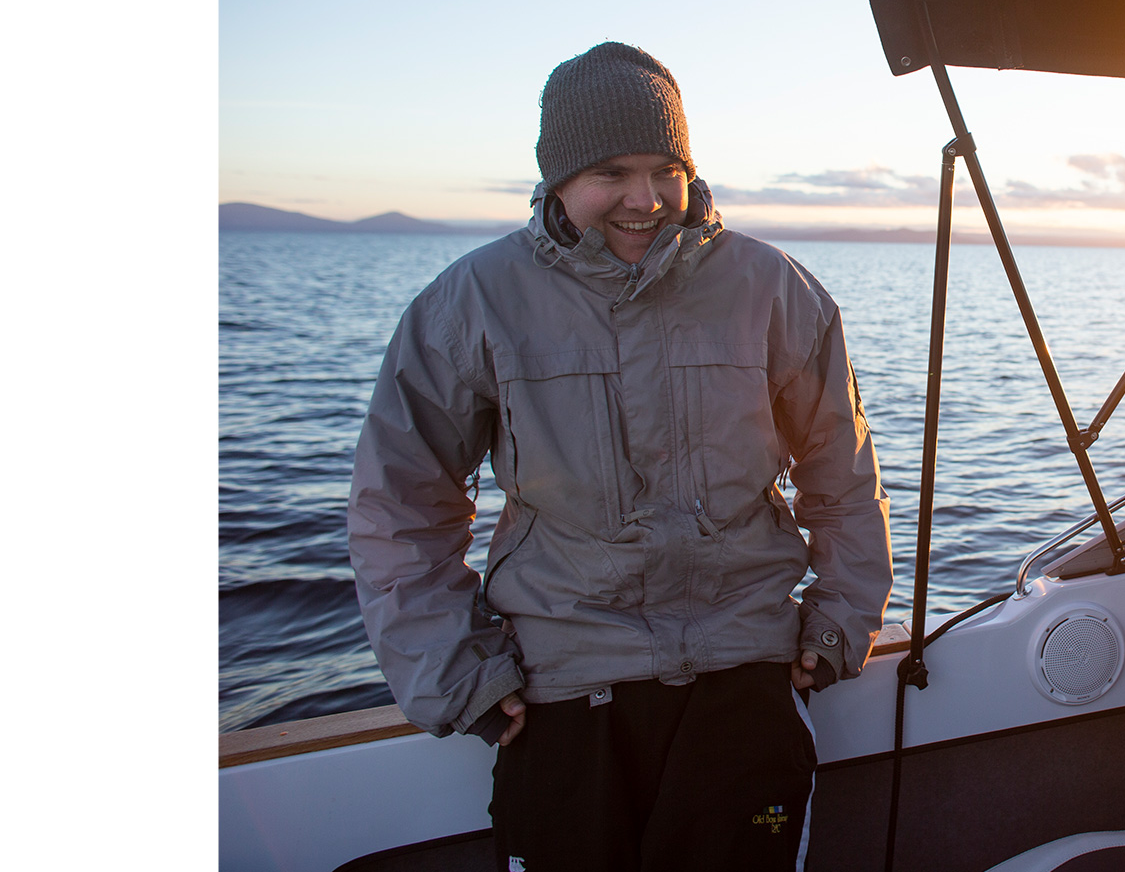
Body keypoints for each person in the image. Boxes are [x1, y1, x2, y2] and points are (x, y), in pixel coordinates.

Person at [347, 42, 893, 871]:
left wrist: (838, 622)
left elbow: (842, 475)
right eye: (612, 173)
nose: (645, 200)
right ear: (559, 177)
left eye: (665, 169)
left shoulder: (774, 289)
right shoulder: (472, 302)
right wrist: (460, 675)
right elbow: (401, 503)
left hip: (744, 672)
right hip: (561, 685)